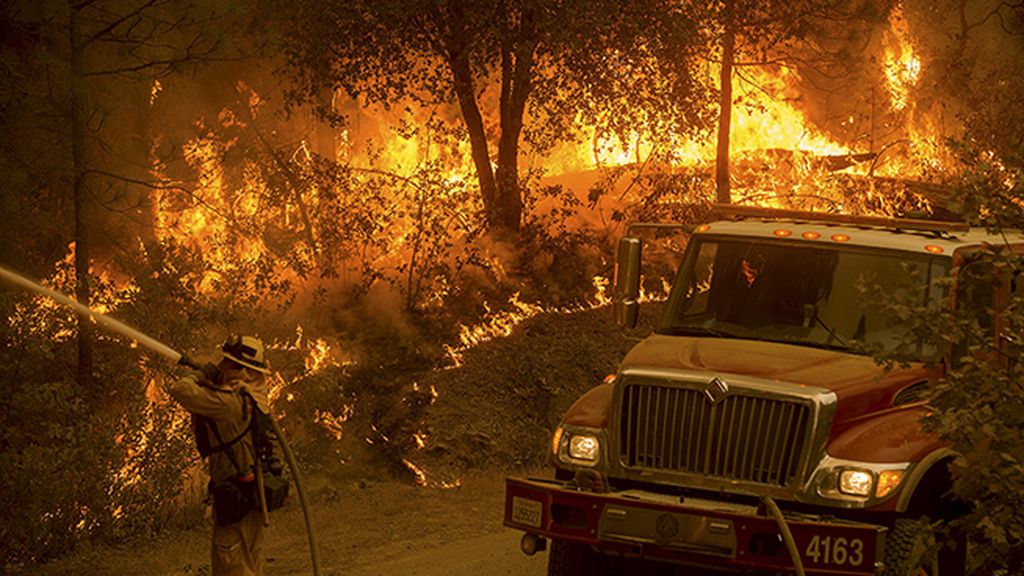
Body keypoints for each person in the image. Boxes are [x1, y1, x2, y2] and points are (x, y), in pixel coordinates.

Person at [167, 335, 273, 576]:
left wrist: (202, 374)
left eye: (227, 363)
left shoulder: (228, 404)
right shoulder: (255, 395)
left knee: (231, 565)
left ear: (242, 371)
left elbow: (180, 389)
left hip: (235, 498)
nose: (221, 366)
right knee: (250, 562)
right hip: (253, 498)